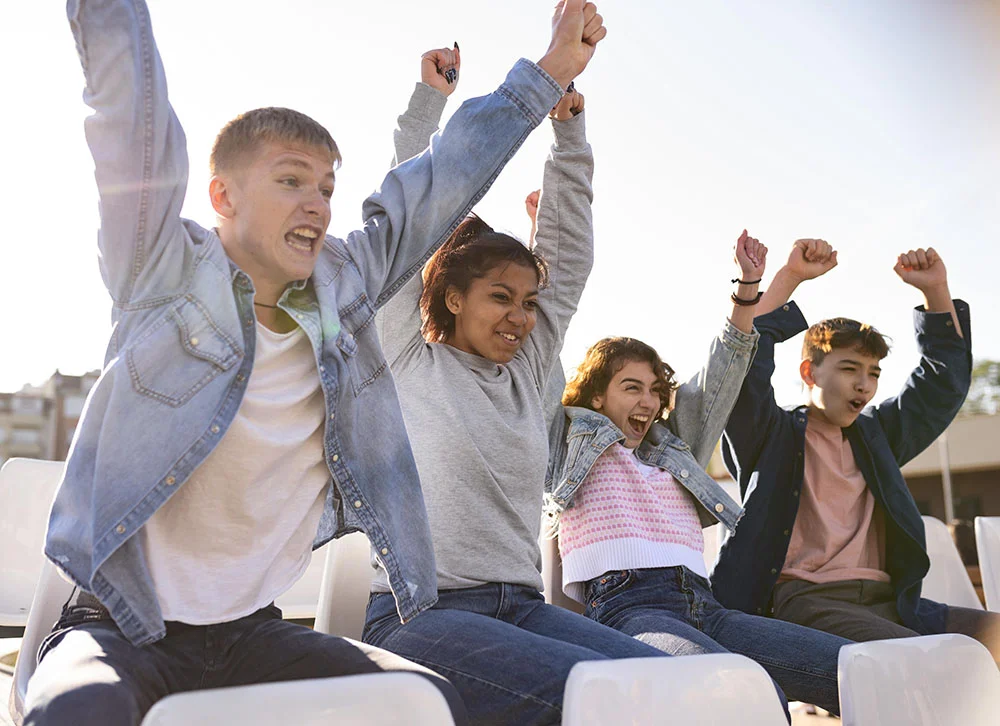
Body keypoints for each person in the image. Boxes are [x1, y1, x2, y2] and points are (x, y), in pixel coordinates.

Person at [23, 0, 606, 723]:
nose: (319, 204)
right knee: (76, 712)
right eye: (293, 181)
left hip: (251, 634)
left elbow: (443, 179)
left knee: (422, 702)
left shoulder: (342, 296)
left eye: (328, 187)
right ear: (222, 197)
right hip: (120, 626)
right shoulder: (163, 275)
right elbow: (129, 121)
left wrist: (549, 71)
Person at [364, 77, 668, 725]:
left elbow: (568, 253)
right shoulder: (406, 357)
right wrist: (424, 110)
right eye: (501, 297)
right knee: (604, 700)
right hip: (420, 615)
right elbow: (403, 220)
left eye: (528, 302)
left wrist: (570, 132)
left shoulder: (527, 370)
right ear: (452, 297)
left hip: (523, 606)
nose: (520, 317)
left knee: (672, 685)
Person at [546, 233, 851, 716]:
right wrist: (546, 240)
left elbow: (726, 361)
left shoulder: (676, 444)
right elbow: (538, 353)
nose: (648, 401)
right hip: (629, 609)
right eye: (631, 387)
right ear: (598, 396)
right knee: (745, 693)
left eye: (654, 389)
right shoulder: (567, 440)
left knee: (854, 669)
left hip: (707, 605)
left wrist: (750, 283)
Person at [713, 240, 1000, 662]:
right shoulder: (770, 433)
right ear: (809, 372)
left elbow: (942, 386)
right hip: (806, 601)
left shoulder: (876, 435)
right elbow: (745, 363)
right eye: (849, 369)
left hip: (892, 603)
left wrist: (936, 291)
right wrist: (789, 277)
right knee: (930, 660)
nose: (864, 384)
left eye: (873, 373)